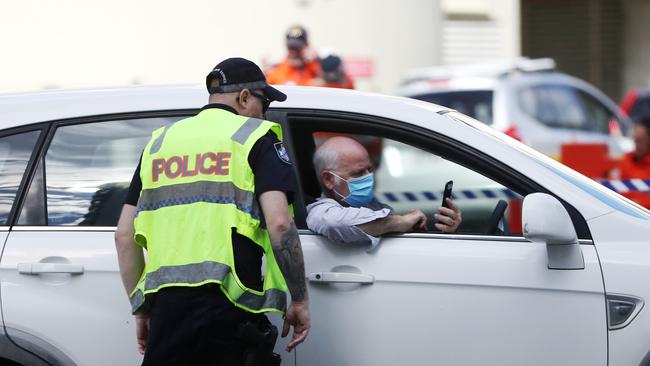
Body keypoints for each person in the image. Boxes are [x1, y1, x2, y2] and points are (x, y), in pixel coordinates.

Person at [115, 57, 310, 365]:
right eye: (265, 102)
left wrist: (141, 308)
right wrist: (299, 298)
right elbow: (281, 224)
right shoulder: (256, 138)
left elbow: (124, 234)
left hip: (168, 311)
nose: (264, 112)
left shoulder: (159, 144)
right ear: (244, 97)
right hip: (230, 310)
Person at [306, 136, 462, 250]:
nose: (369, 178)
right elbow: (336, 223)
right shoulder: (319, 211)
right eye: (359, 173)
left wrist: (446, 233)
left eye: (370, 170)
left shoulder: (375, 207)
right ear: (328, 180)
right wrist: (398, 222)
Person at [611, 115, 650, 208]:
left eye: (640, 140)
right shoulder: (626, 160)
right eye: (635, 140)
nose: (637, 145)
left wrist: (639, 204)